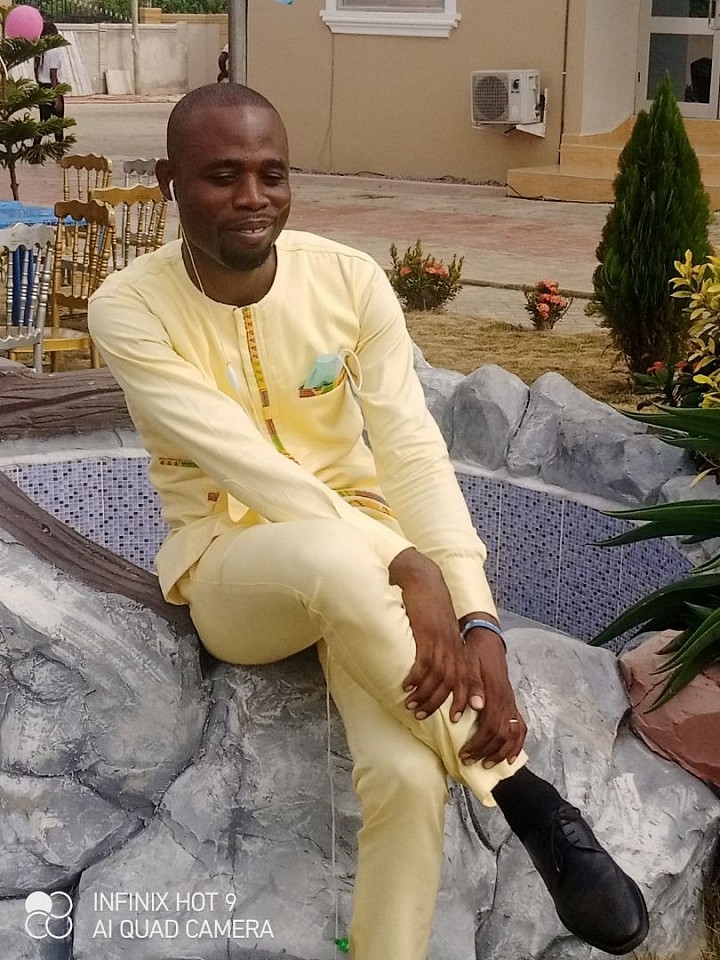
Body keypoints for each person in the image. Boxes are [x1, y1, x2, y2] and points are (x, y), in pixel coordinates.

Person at [88, 83, 649, 960]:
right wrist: (405, 564)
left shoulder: (347, 280)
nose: (252, 197)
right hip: (233, 571)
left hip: (369, 572)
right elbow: (241, 460)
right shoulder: (129, 307)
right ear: (169, 181)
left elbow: (412, 452)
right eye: (222, 176)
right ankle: (529, 800)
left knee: (408, 779)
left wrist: (478, 618)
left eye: (272, 174)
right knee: (330, 554)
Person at [34, 20, 65, 143]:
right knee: (58, 122)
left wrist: (39, 83)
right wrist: (57, 97)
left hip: (42, 85)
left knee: (43, 120)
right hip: (52, 86)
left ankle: (35, 147)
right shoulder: (54, 51)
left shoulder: (40, 50)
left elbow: (36, 68)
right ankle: (59, 147)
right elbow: (53, 74)